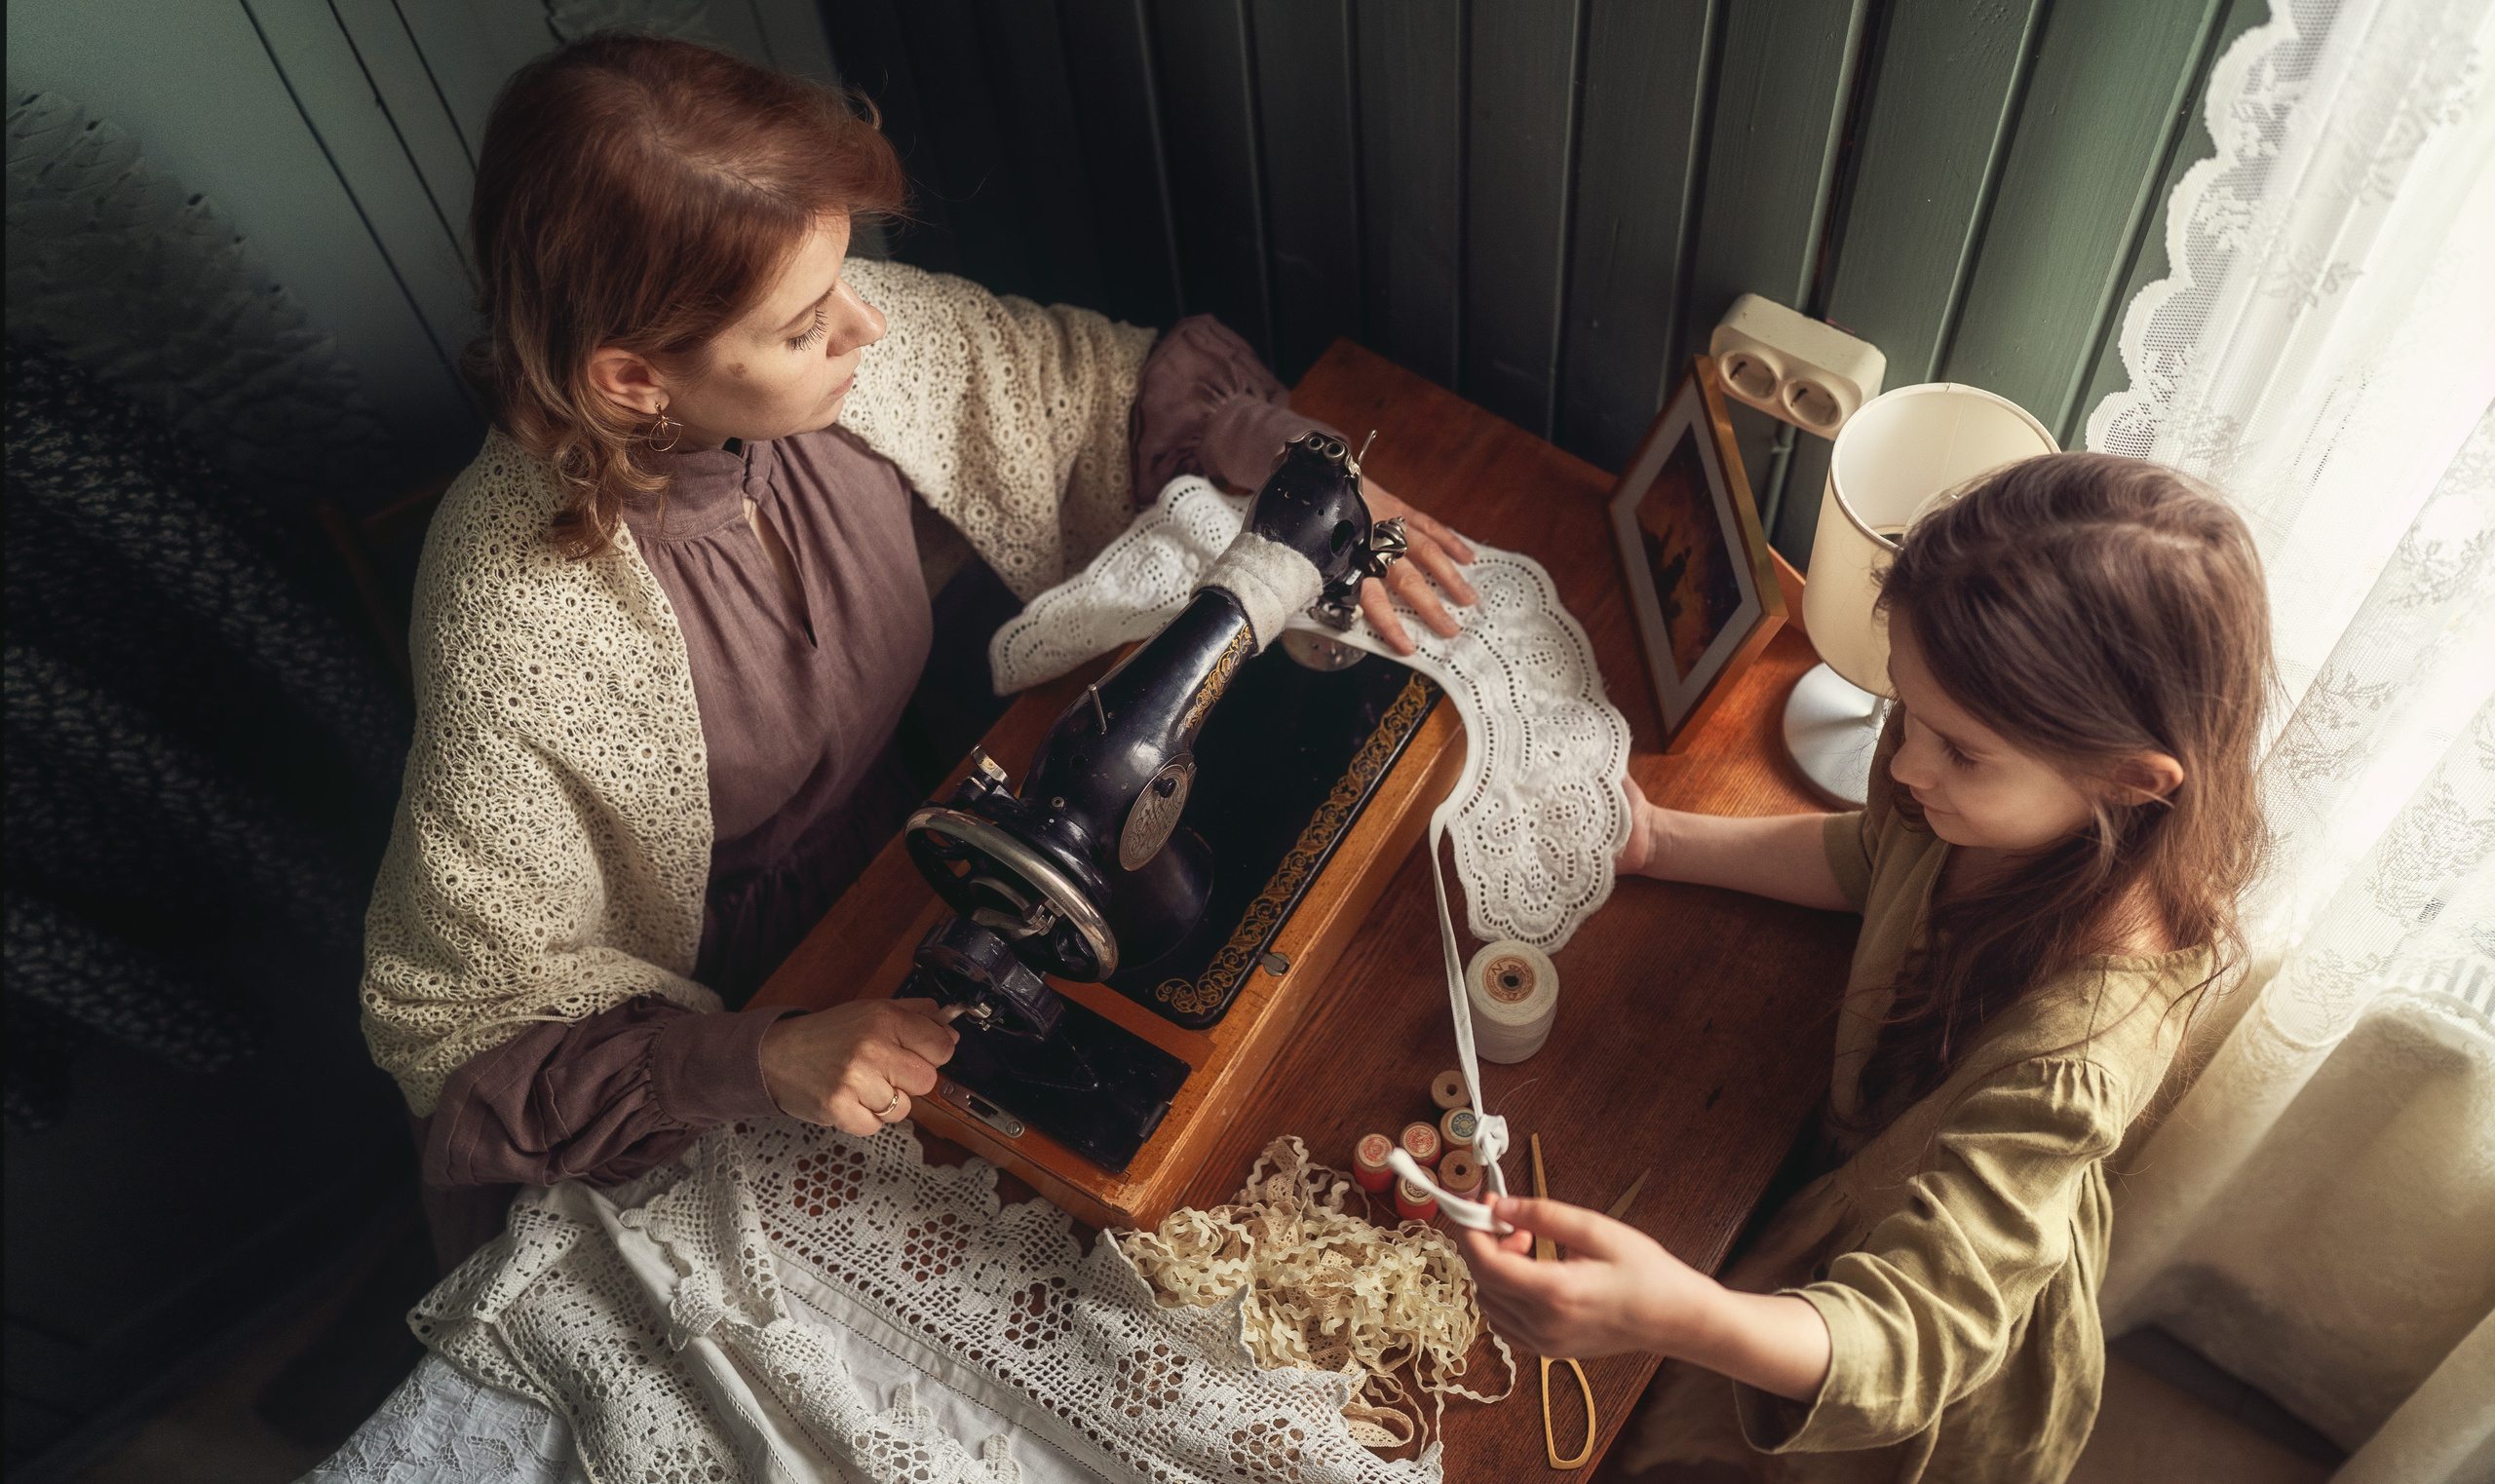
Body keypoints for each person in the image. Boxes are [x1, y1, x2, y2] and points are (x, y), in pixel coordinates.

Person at [360, 33, 1477, 1268]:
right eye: (805, 326)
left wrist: (1255, 441)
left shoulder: (836, 368)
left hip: (907, 859)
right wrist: (761, 1053)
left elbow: (1081, 392)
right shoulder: (511, 615)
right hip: (723, 1024)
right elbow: (464, 1029)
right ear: (632, 379)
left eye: (843, 277)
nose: (869, 322)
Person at [1459, 453, 2273, 1482]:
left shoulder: (2075, 1057)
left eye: (1962, 751)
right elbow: (1874, 857)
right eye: (1905, 709)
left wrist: (1677, 1312)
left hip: (1902, 1341)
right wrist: (1663, 839)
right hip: (1844, 1183)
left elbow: (1915, 1335)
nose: (1906, 765)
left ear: (2129, 781)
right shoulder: (1970, 799)